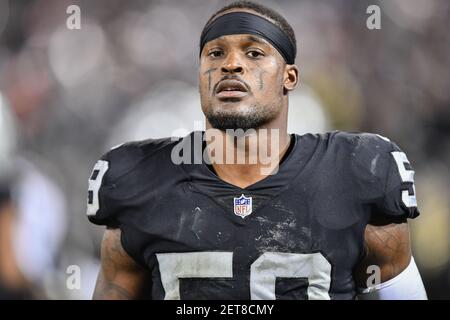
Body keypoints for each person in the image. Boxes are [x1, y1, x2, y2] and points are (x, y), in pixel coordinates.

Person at [87, 1, 427, 300]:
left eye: (254, 53)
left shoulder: (358, 173)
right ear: (200, 75)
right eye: (215, 53)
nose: (231, 64)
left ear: (289, 77)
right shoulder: (140, 180)